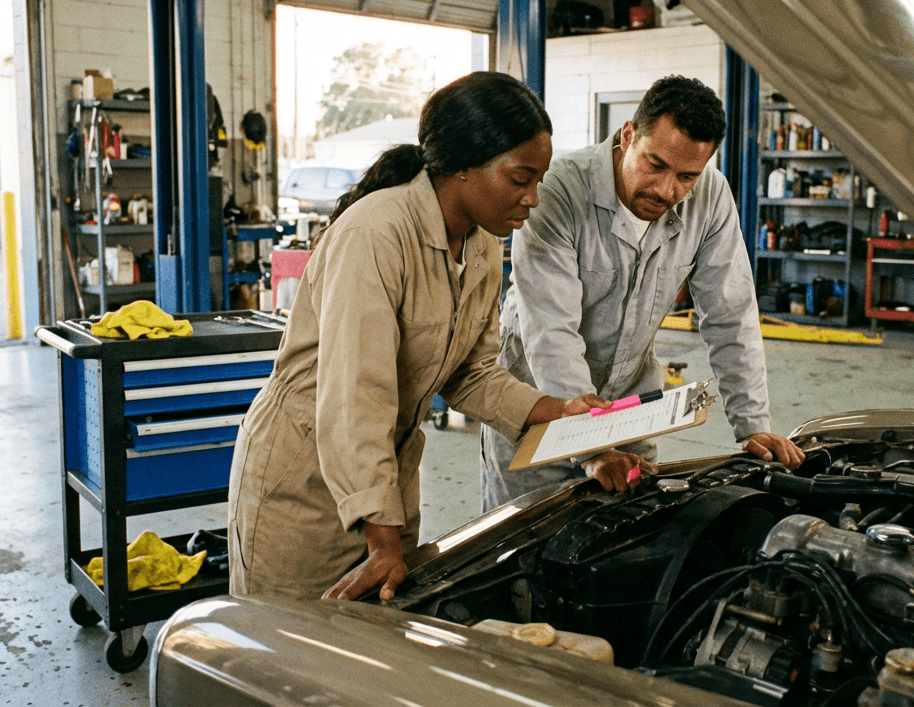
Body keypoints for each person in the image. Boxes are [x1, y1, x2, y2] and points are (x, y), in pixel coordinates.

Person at [228, 71, 608, 603]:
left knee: (376, 651)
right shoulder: (375, 235)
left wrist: (557, 410)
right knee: (291, 654)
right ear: (464, 167)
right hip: (305, 484)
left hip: (388, 473)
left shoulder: (480, 245)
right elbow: (353, 400)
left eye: (539, 180)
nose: (534, 199)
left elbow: (469, 372)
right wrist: (383, 539)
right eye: (521, 179)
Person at [481, 75, 805, 511]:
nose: (668, 190)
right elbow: (550, 330)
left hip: (629, 414)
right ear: (629, 134)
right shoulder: (558, 192)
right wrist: (591, 446)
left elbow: (731, 313)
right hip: (538, 411)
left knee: (631, 537)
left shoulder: (711, 197)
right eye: (655, 165)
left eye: (687, 176)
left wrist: (752, 426)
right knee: (518, 552)